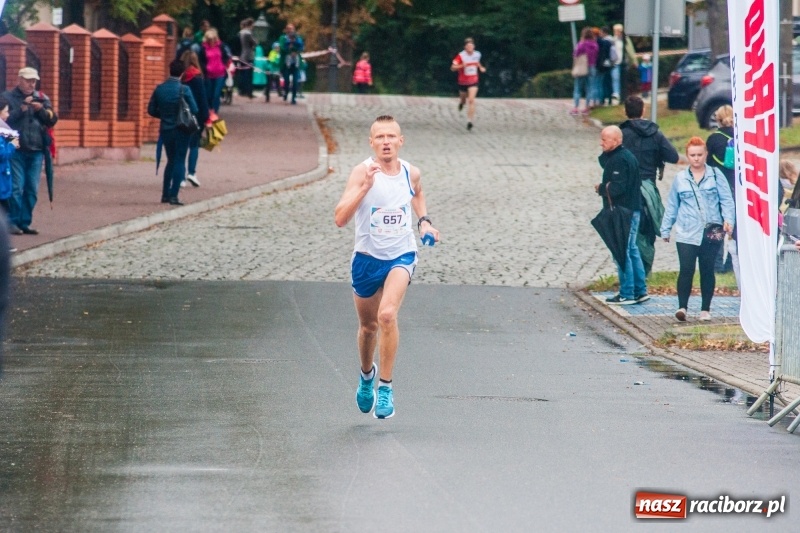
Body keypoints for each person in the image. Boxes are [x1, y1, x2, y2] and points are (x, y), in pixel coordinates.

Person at [334, 115, 440, 419]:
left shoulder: (410, 172)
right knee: (368, 327)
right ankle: (367, 376)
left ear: (400, 141)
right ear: (371, 143)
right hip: (366, 259)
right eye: (379, 137)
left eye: (391, 136)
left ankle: (386, 387)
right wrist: (364, 188)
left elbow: (417, 192)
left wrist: (424, 222)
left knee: (387, 315)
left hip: (401, 255)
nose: (386, 142)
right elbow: (340, 218)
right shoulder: (362, 172)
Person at [660, 137, 735, 322]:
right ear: (687, 156)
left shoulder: (716, 175)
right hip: (687, 230)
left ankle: (705, 309)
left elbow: (727, 200)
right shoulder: (680, 178)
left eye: (700, 154)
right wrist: (665, 228)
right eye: (692, 155)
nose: (696, 158)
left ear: (706, 154)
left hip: (712, 230)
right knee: (686, 268)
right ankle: (682, 307)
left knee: (707, 269)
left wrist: (729, 220)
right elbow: (672, 205)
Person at [620, 95, 679, 274]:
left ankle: (632, 274)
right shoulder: (655, 134)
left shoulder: (621, 134)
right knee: (647, 231)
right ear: (643, 110)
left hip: (627, 189)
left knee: (629, 233)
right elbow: (674, 156)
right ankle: (645, 273)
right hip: (649, 190)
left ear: (625, 112)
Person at [1, 67, 58, 236]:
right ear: (19, 80)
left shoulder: (42, 98)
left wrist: (40, 110)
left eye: (34, 81)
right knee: (16, 187)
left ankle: (25, 222)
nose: (31, 84)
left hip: (37, 150)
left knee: (32, 188)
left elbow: (52, 120)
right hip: (16, 150)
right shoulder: (8, 97)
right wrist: (22, 110)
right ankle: (12, 222)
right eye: (28, 80)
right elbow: (4, 122)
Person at [596, 126, 648, 305]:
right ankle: (640, 290)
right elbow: (604, 163)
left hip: (624, 212)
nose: (601, 143)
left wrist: (601, 188)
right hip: (632, 210)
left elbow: (618, 187)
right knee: (632, 250)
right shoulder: (622, 156)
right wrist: (605, 151)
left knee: (622, 251)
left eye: (605, 140)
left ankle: (627, 293)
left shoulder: (620, 159)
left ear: (617, 141)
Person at [147, 59, 198, 206]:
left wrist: (164, 116)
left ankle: (165, 194)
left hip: (166, 130)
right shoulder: (184, 89)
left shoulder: (160, 89)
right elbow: (194, 109)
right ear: (182, 73)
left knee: (170, 160)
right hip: (182, 129)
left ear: (170, 70)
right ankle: (174, 195)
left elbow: (151, 110)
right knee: (180, 160)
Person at [706, 105, 738, 280]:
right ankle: (732, 264)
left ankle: (717, 264)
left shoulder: (713, 139)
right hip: (737, 188)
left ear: (717, 120)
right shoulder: (741, 137)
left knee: (717, 226)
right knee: (736, 228)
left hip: (718, 188)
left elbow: (708, 165)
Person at [180, 50, 209, 188]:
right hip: (195, 116)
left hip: (181, 116)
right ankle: (191, 173)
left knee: (181, 147)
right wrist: (206, 118)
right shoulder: (197, 77)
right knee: (194, 145)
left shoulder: (180, 77)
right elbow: (202, 99)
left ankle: (180, 177)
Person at [451, 37, 486, 131]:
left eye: (471, 46)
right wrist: (462, 65)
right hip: (462, 82)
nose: (470, 48)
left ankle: (469, 121)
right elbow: (453, 68)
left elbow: (477, 62)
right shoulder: (461, 56)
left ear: (474, 46)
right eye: (468, 46)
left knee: (471, 100)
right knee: (463, 100)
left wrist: (481, 67)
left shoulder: (477, 54)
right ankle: (461, 103)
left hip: (473, 81)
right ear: (465, 47)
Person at [198, 28, 231, 113]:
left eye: (213, 39)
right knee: (209, 94)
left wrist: (223, 65)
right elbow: (200, 60)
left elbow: (226, 57)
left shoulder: (221, 46)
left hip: (220, 74)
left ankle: (215, 111)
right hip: (208, 75)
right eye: (210, 39)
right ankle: (209, 110)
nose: (212, 41)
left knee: (216, 94)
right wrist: (205, 68)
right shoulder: (203, 48)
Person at [571, 27, 598, 115]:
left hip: (582, 67)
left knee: (578, 88)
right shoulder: (594, 45)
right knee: (589, 88)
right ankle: (587, 107)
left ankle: (575, 107)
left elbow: (575, 54)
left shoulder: (581, 44)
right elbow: (596, 55)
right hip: (592, 67)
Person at [279, 23, 305, 105]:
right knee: (286, 80)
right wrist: (290, 51)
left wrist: (296, 52)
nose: (290, 30)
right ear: (286, 30)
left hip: (295, 63)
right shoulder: (283, 38)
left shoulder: (298, 38)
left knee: (295, 81)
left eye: (292, 29)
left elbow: (301, 47)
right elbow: (282, 48)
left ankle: (293, 98)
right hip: (286, 63)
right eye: (288, 29)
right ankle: (286, 92)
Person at [612, 24, 638, 103]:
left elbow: (630, 51)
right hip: (616, 62)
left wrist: (634, 61)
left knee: (624, 79)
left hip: (624, 62)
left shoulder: (625, 39)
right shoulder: (614, 40)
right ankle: (616, 93)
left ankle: (623, 94)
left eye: (617, 31)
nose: (615, 32)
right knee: (615, 77)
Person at [595, 27, 616, 106]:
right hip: (608, 63)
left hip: (601, 64)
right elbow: (613, 54)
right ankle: (609, 98)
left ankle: (603, 99)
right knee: (608, 81)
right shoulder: (609, 42)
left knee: (602, 82)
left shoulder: (601, 42)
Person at [237, 18, 257, 98]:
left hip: (241, 55)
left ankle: (241, 90)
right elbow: (254, 42)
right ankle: (248, 91)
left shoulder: (240, 33)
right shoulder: (248, 33)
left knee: (242, 73)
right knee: (249, 75)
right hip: (248, 55)